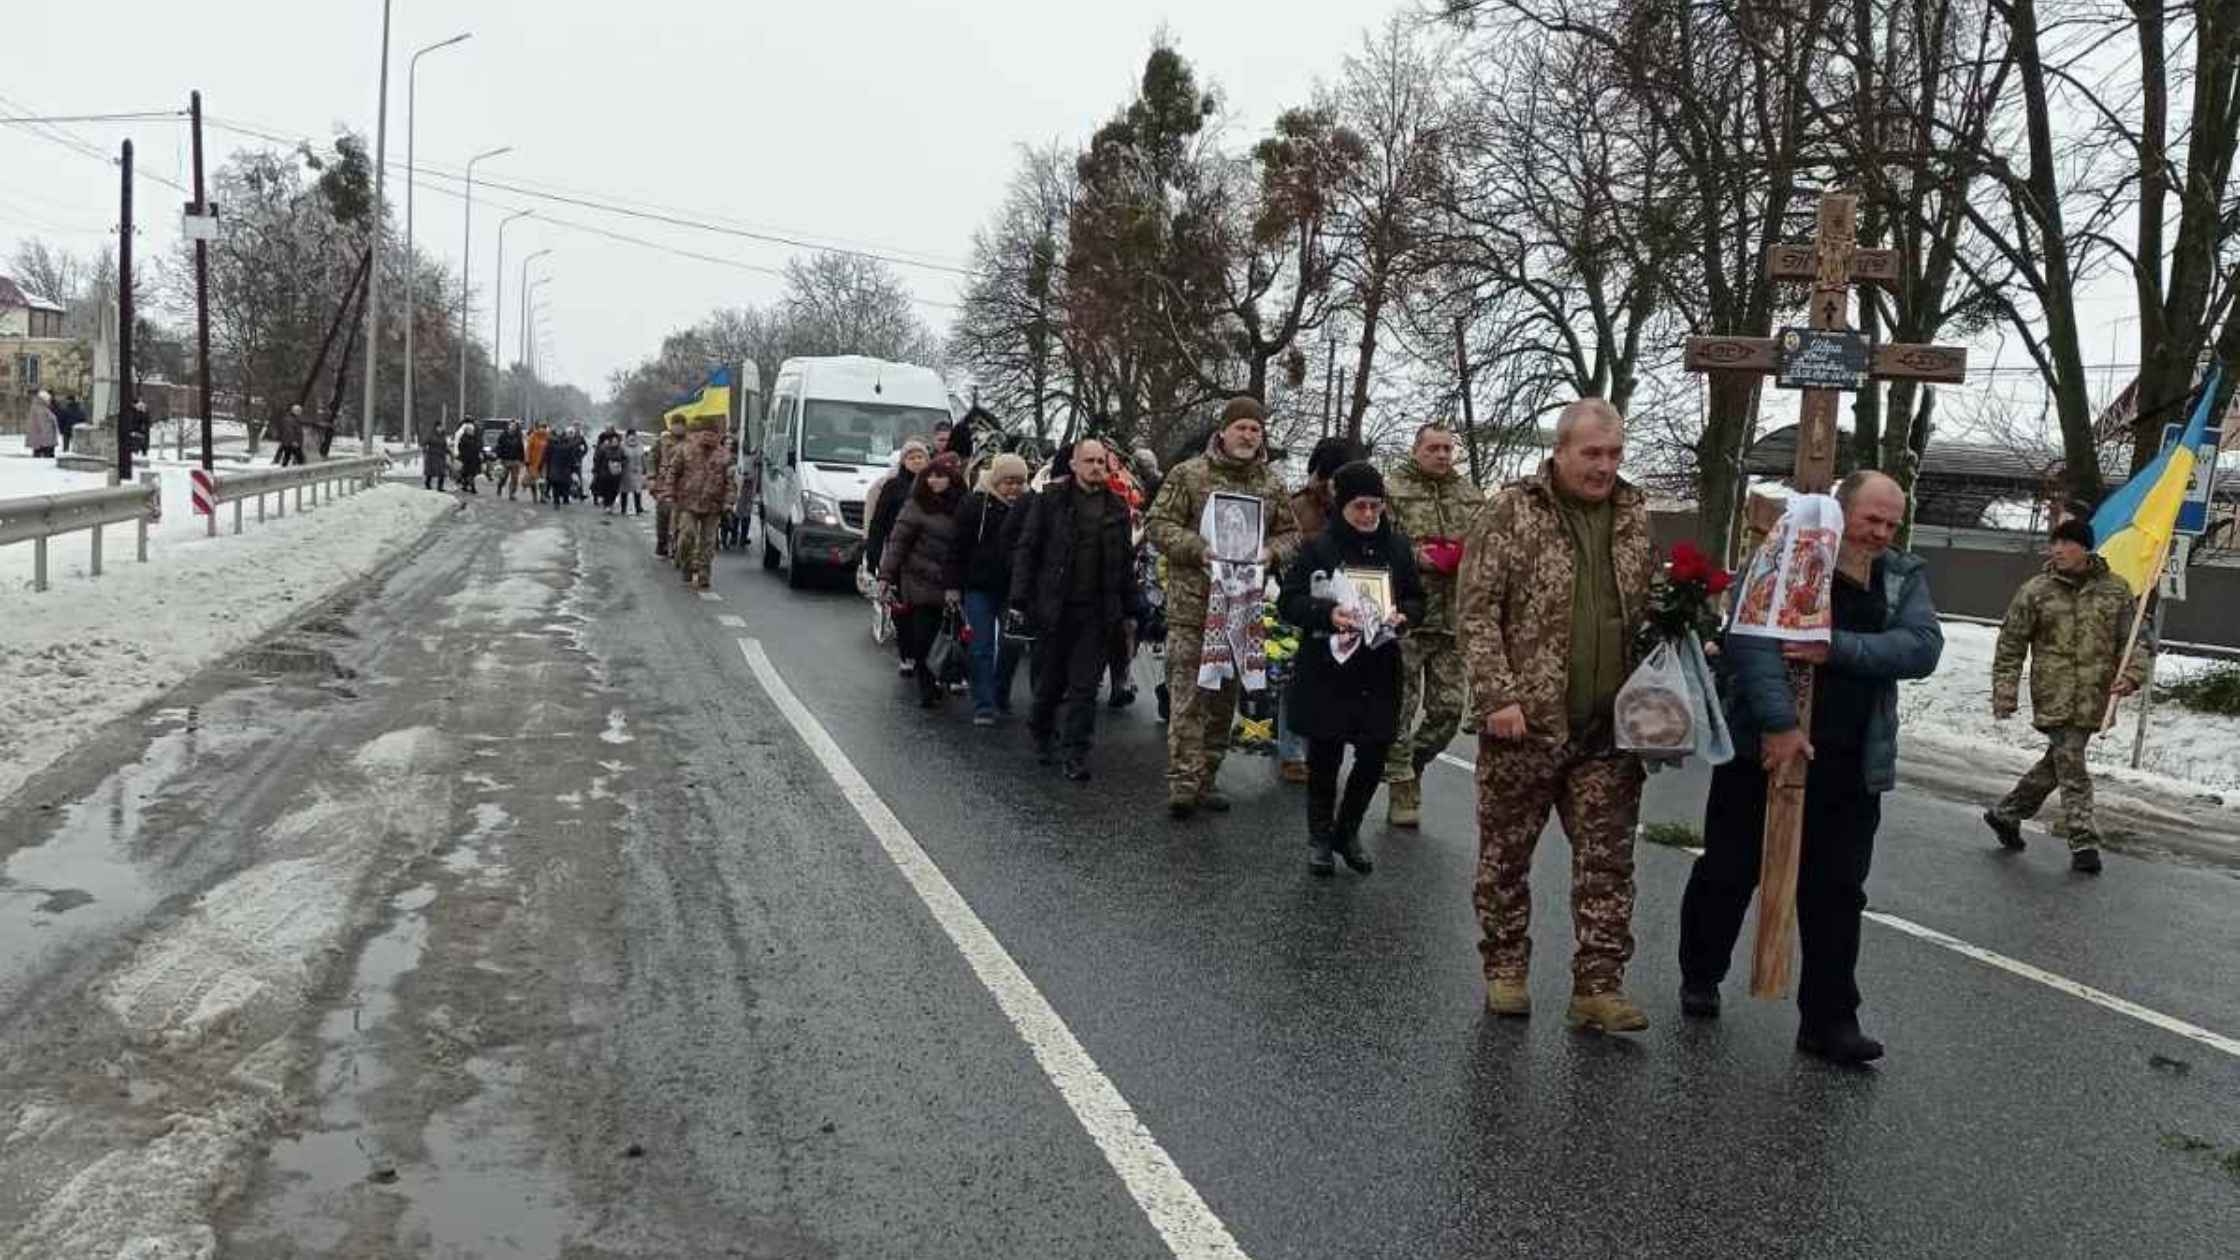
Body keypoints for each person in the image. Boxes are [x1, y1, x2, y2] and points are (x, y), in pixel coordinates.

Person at [1680, 470, 1944, 1064]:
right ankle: (1701, 973)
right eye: (1870, 519)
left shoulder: (1901, 577)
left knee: (1837, 892)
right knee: (1729, 871)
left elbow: (1922, 647)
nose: (1880, 533)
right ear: (1839, 510)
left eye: (1891, 523)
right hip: (1764, 750)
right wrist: (1779, 725)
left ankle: (1829, 1020)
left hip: (1850, 761)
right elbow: (1752, 640)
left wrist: (1839, 648)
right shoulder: (1782, 555)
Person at [1457, 397, 1654, 1033]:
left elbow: (1641, 609)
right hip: (1526, 727)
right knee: (1505, 858)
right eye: (1591, 453)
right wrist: (1499, 696)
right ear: (1561, 451)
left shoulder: (1632, 516)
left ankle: (1597, 985)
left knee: (1607, 864)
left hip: (1606, 732)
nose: (1604, 467)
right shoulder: (1512, 510)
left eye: (1614, 453)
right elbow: (1477, 611)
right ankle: (1506, 967)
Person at [1143, 396, 1303, 817]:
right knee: (1188, 696)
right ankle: (1183, 781)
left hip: (1242, 610)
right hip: (1193, 607)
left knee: (1222, 700)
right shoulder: (1189, 474)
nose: (1248, 435)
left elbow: (1292, 534)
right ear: (1224, 431)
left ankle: (1208, 777)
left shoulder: (1271, 484)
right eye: (1241, 428)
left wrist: (1271, 553)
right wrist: (1198, 549)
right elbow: (1158, 525)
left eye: (1255, 429)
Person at [1279, 461, 1426, 876]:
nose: (1367, 516)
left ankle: (1348, 830)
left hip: (1378, 667)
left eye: (1375, 507)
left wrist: (1403, 616)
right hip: (1329, 666)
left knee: (1374, 754)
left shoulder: (1397, 548)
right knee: (1324, 756)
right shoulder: (1318, 548)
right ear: (1342, 505)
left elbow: (1416, 597)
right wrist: (1328, 614)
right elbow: (1288, 602)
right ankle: (1320, 838)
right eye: (1359, 506)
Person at [1984, 517, 2146, 875]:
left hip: (2094, 694)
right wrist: (2005, 692)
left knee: (2057, 762)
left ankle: (2007, 813)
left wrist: (2133, 676)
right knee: (2071, 763)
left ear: (2084, 548)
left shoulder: (2116, 591)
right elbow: (2011, 644)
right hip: (2053, 691)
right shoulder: (2036, 590)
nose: (2056, 550)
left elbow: (2134, 641)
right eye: (2053, 543)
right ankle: (2083, 840)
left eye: (2065, 543)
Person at [1009, 440, 1137, 778]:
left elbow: (1125, 562)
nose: (1096, 467)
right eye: (1089, 461)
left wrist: (1132, 606)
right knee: (1051, 681)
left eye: (1101, 461)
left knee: (1085, 686)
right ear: (1075, 465)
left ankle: (1076, 752)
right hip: (1054, 606)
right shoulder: (1051, 500)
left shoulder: (1117, 508)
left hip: (1097, 611)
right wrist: (1020, 597)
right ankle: (1041, 730)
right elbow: (1028, 548)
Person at [1383, 422, 1486, 826]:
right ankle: (1401, 785)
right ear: (1416, 450)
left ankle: (1414, 763)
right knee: (1400, 709)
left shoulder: (1470, 495)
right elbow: (1377, 543)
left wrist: (1467, 555)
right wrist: (1415, 556)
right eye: (1434, 448)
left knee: (1447, 711)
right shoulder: (1392, 490)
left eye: (1448, 449)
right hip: (1408, 615)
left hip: (1451, 620)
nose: (1442, 455)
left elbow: (1487, 543)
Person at [1277, 437, 1368, 783]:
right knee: (1290, 674)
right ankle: (1292, 750)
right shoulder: (1297, 506)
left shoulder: (1355, 508)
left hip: (1343, 605)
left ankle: (1320, 743)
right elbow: (1283, 544)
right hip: (1295, 597)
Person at [879, 452, 966, 707]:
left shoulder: (963, 505)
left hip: (951, 582)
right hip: (919, 581)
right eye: (931, 477)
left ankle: (944, 677)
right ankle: (927, 687)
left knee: (948, 637)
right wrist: (886, 574)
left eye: (941, 477)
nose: (934, 482)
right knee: (922, 638)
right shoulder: (915, 505)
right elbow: (898, 543)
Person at [950, 453, 1031, 725]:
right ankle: (983, 703)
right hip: (979, 586)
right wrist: (952, 585)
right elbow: (957, 547)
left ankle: (1000, 692)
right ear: (996, 480)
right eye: (1009, 482)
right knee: (981, 645)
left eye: (1020, 482)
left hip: (1015, 588)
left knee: (1012, 644)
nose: (1014, 489)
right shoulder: (975, 505)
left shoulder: (1030, 507)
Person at [866, 440, 932, 675]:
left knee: (923, 607)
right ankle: (907, 654)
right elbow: (879, 523)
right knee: (901, 607)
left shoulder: (932, 485)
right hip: (898, 555)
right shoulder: (893, 487)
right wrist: (873, 555)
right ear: (903, 461)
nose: (916, 461)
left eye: (920, 457)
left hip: (926, 556)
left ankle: (921, 652)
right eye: (911, 457)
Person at [669, 415, 736, 591]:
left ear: (718, 436)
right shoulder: (686, 450)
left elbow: (731, 483)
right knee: (687, 536)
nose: (708, 438)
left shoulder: (725, 456)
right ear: (700, 434)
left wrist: (728, 504)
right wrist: (670, 492)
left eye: (713, 435)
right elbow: (673, 472)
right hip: (687, 503)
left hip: (713, 505)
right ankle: (686, 565)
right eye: (705, 434)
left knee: (708, 543)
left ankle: (704, 575)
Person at [650, 416, 688, 553]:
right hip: (663, 483)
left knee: (681, 517)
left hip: (683, 484)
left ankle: (678, 545)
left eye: (681, 425)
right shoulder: (663, 441)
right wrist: (651, 478)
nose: (678, 427)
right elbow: (651, 459)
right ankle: (662, 542)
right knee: (663, 514)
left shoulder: (689, 442)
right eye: (675, 424)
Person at [545, 423, 580, 506]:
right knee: (562, 484)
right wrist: (574, 466)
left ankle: (559, 500)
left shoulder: (551, 443)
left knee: (558, 484)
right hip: (561, 467)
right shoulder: (566, 444)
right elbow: (571, 456)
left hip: (557, 467)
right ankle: (563, 499)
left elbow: (547, 456)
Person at [592, 431, 626, 511]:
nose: (615, 443)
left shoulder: (621, 450)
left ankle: (611, 503)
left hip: (616, 474)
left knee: (615, 490)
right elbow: (598, 460)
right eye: (613, 441)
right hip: (605, 473)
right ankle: (607, 504)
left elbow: (624, 459)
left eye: (616, 441)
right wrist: (596, 470)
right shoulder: (604, 449)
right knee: (606, 489)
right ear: (610, 442)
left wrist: (620, 464)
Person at [495, 421, 526, 499]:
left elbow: (521, 449)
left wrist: (522, 460)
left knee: (514, 478)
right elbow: (499, 447)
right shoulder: (503, 435)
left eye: (514, 426)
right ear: (508, 426)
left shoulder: (518, 436)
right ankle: (500, 486)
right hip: (505, 460)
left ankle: (512, 494)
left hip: (515, 460)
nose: (513, 427)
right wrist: (499, 456)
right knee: (503, 476)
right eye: (511, 426)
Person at [620, 427, 647, 516]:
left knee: (637, 490)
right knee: (624, 490)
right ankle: (623, 509)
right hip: (626, 471)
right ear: (627, 436)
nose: (632, 437)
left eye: (634, 435)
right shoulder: (622, 445)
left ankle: (638, 508)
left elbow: (642, 457)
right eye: (630, 435)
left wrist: (644, 468)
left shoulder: (640, 445)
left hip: (637, 470)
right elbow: (619, 457)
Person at [26, 389, 59, 457]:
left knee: (38, 453)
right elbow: (44, 425)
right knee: (45, 456)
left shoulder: (39, 406)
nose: (49, 401)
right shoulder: (41, 408)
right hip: (44, 438)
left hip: (41, 438)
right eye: (48, 399)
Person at [454, 419, 483, 494]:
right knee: (467, 473)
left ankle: (467, 485)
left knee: (471, 474)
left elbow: (478, 447)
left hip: (474, 459)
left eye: (472, 430)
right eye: (469, 430)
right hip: (466, 459)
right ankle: (471, 487)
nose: (471, 431)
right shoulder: (464, 439)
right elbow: (460, 448)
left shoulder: (475, 438)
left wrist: (479, 453)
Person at [525, 421, 551, 503]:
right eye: (541, 428)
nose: (542, 429)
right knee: (533, 480)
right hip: (533, 462)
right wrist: (527, 460)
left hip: (544, 463)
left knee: (542, 480)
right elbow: (528, 449)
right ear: (538, 428)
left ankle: (542, 496)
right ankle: (534, 496)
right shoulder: (533, 436)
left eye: (544, 428)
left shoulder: (548, 437)